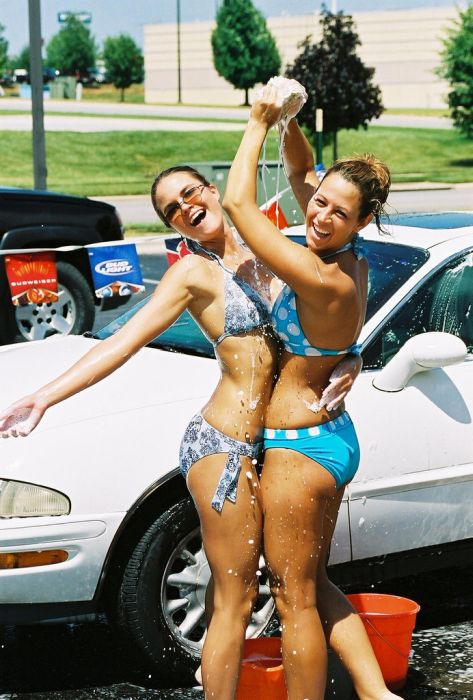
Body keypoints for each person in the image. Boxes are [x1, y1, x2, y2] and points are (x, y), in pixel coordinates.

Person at [0, 164, 359, 700]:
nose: (186, 206)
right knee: (234, 601)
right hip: (223, 446)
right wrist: (46, 395)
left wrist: (349, 355)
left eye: (190, 192)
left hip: (281, 445)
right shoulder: (191, 274)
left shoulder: (274, 248)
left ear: (212, 191)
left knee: (289, 590)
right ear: (176, 225)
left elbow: (333, 307)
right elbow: (119, 345)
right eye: (172, 208)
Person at [223, 82, 401, 700]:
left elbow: (239, 207)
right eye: (319, 203)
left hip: (300, 446)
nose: (319, 217)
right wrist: (291, 123)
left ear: (363, 220)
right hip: (325, 433)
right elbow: (300, 169)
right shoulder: (348, 255)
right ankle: (378, 694)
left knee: (290, 594)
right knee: (314, 581)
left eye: (337, 213)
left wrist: (257, 121)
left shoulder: (321, 273)